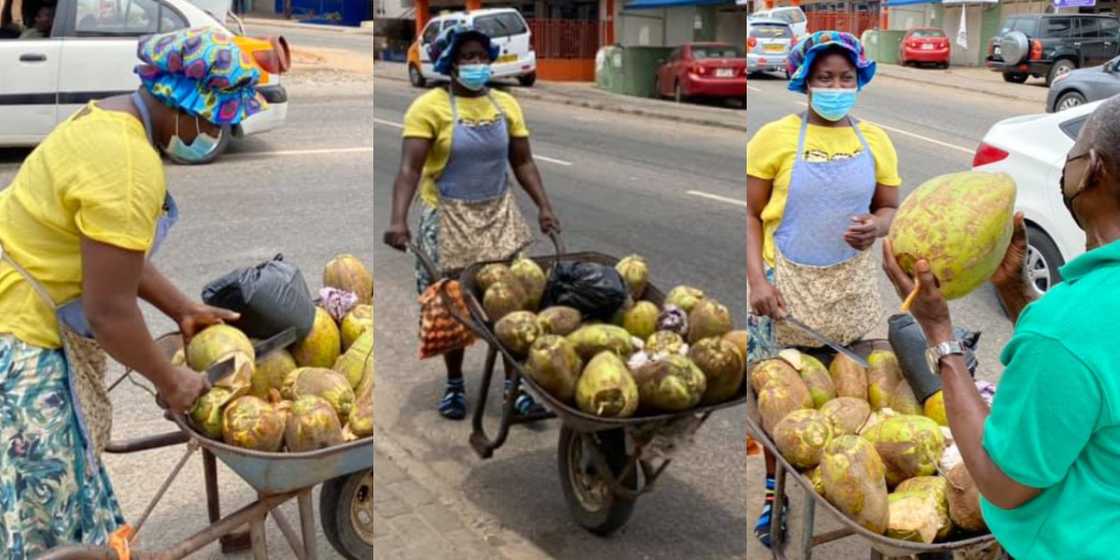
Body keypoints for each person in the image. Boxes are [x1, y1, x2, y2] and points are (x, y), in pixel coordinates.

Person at [0, 27, 267, 556]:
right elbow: (109, 308)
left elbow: (110, 255)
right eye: (215, 116)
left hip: (13, 317)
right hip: (26, 350)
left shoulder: (102, 117)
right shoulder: (127, 166)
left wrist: (182, 307)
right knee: (50, 538)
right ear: (188, 101)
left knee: (78, 522)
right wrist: (170, 380)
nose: (215, 129)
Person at [882, 95, 1120, 560]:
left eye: (1069, 159)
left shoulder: (1068, 329)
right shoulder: (1074, 322)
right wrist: (1015, 290)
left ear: (1092, 168)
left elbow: (999, 482)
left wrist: (938, 333)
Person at [745, 30, 901, 547]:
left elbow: (889, 208)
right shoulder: (771, 138)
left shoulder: (875, 140)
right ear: (805, 81)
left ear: (859, 81)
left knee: (853, 401)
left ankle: (848, 486)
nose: (836, 86)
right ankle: (775, 492)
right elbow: (750, 214)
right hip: (785, 293)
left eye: (846, 77)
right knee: (780, 408)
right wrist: (755, 281)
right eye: (825, 77)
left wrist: (877, 227)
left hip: (851, 293)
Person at [383, 24, 559, 421]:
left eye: (482, 56)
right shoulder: (429, 107)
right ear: (452, 64)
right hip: (449, 221)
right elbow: (409, 170)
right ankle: (455, 384)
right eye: (468, 57)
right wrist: (398, 219)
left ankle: (515, 390)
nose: (477, 64)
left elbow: (523, 162)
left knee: (513, 307)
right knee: (453, 312)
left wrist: (545, 206)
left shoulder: (506, 104)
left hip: (499, 218)